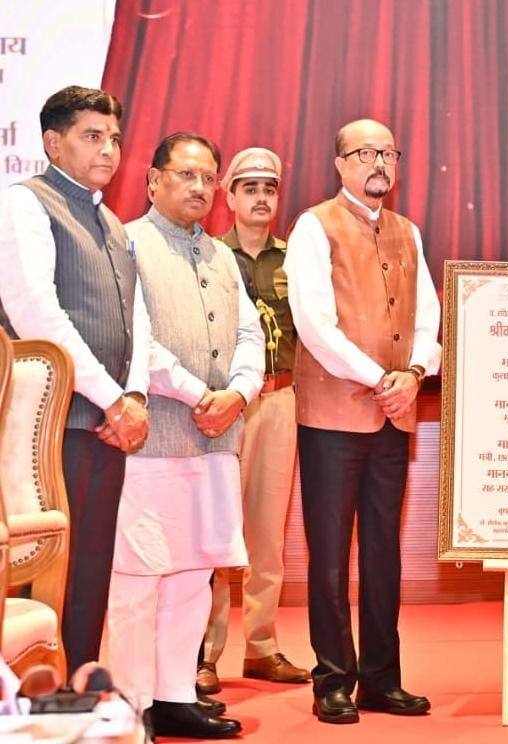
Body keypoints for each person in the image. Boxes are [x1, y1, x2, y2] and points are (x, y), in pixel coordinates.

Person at [106, 132, 264, 739]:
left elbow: (250, 333)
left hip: (217, 440)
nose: (199, 187)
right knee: (140, 576)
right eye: (186, 175)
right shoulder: (128, 243)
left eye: (208, 177)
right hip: (153, 440)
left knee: (195, 572)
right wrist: (202, 396)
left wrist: (240, 393)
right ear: (153, 181)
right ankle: (128, 702)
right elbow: (134, 341)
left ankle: (174, 695)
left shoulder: (221, 255)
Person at [285, 118, 440, 724]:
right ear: (340, 163)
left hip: (395, 416)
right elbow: (315, 326)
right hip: (332, 416)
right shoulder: (312, 226)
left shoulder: (408, 231)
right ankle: (333, 679)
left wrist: (416, 373)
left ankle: (381, 678)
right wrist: (381, 379)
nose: (379, 163)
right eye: (365, 153)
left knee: (383, 552)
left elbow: (428, 313)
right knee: (328, 554)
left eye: (388, 153)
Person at [0, 86, 150, 676]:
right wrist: (114, 399)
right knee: (46, 569)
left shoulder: (110, 220)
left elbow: (136, 314)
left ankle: (77, 700)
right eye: (93, 136)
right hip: (48, 429)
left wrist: (133, 396)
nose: (109, 150)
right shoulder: (25, 204)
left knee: (90, 570)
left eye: (114, 138)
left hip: (107, 426)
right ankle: (32, 712)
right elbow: (35, 311)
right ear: (51, 143)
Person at [197, 147, 309, 692]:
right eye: (249, 188)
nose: (261, 197)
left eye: (270, 188)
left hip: (281, 400)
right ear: (230, 196)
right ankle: (205, 651)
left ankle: (262, 646)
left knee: (267, 531)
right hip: (224, 405)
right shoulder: (209, 256)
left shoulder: (296, 259)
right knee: (220, 530)